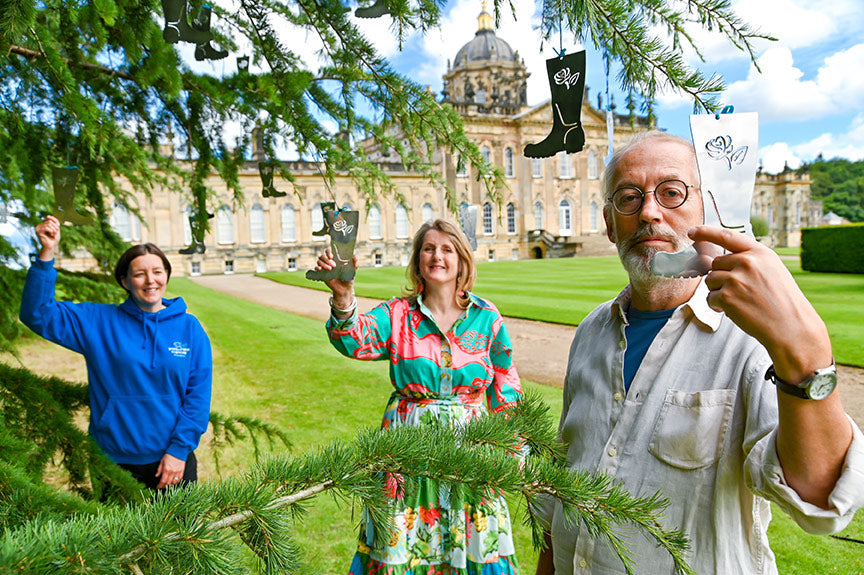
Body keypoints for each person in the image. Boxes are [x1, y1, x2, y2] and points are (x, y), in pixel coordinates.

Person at [536, 131, 864, 574]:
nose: (649, 212)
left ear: (706, 209)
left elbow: (820, 502)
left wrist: (805, 349)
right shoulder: (592, 331)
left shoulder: (751, 336)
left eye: (671, 193)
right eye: (629, 198)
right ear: (610, 224)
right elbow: (564, 483)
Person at [317, 218, 524, 574]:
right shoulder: (397, 314)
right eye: (428, 248)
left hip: (471, 450)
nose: (437, 256)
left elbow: (505, 382)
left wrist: (515, 448)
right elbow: (353, 339)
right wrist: (343, 296)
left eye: (447, 249)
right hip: (406, 449)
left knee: (475, 534)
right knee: (401, 535)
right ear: (417, 260)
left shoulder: (486, 317)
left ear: (461, 259)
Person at [20, 215, 213, 492]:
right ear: (125, 281)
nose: (150, 281)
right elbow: (37, 314)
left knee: (181, 523)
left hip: (172, 461)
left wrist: (179, 450)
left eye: (158, 272)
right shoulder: (98, 322)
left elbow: (198, 396)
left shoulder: (189, 328)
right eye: (139, 274)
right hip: (112, 460)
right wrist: (47, 253)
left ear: (167, 276)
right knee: (116, 523)